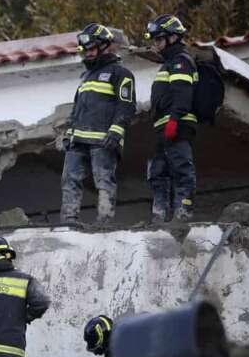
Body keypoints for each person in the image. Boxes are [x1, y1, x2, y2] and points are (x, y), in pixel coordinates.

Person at [61, 23, 136, 225]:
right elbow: (77, 109)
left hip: (104, 140)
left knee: (103, 179)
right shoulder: (85, 78)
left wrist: (116, 131)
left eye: (92, 49)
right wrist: (68, 132)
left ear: (105, 46)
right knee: (70, 179)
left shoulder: (120, 74)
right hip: (78, 139)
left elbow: (126, 106)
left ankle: (104, 220)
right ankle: (69, 220)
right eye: (85, 51)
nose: (88, 54)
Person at [144, 14, 198, 222]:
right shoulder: (168, 64)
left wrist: (174, 120)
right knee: (158, 171)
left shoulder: (180, 61)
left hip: (178, 125)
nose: (156, 45)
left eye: (159, 39)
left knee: (182, 170)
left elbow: (182, 95)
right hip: (163, 127)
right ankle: (159, 216)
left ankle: (182, 214)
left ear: (172, 38)